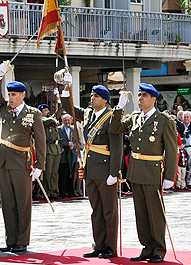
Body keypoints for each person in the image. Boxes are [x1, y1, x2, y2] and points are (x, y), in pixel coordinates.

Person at [110, 83, 177, 263]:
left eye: (144, 96)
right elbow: (114, 128)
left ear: (154, 99)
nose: (140, 98)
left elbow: (172, 150)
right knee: (141, 213)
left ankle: (158, 250)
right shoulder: (134, 117)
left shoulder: (164, 120)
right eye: (139, 95)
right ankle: (147, 247)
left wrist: (170, 176)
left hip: (154, 172)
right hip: (136, 171)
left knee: (155, 213)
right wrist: (119, 107)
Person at [0, 62, 46, 254]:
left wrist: (40, 165)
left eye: (14, 95)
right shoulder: (4, 109)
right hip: (4, 161)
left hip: (23, 163)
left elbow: (40, 141)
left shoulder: (33, 113)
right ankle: (11, 239)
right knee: (7, 203)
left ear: (22, 95)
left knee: (22, 203)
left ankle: (22, 240)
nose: (10, 98)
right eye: (9, 94)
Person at [61, 84, 122, 259]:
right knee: (96, 209)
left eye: (96, 96)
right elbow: (68, 108)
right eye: (92, 95)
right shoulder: (88, 113)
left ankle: (110, 246)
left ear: (105, 100)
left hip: (105, 169)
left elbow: (116, 148)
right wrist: (66, 88)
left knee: (109, 210)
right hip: (91, 168)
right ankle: (99, 244)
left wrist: (114, 172)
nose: (92, 98)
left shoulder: (111, 117)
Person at [38, 94, 63, 200]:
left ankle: (53, 192)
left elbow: (60, 112)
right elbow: (50, 121)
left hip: (57, 148)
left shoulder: (50, 119)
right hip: (48, 149)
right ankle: (46, 192)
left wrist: (58, 99)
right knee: (47, 173)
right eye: (45, 110)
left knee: (54, 172)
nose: (48, 112)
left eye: (48, 110)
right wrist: (54, 120)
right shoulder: (40, 120)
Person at [58, 113, 77, 198]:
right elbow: (58, 141)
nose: (67, 122)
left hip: (72, 156)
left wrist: (74, 145)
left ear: (71, 120)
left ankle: (71, 192)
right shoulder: (59, 129)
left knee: (72, 175)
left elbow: (78, 142)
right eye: (65, 120)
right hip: (63, 155)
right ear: (62, 121)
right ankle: (62, 193)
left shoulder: (74, 129)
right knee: (63, 175)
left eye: (68, 120)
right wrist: (67, 144)